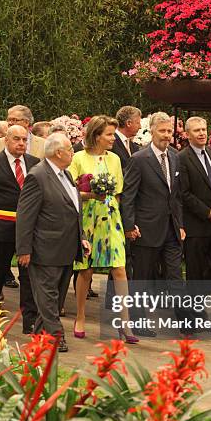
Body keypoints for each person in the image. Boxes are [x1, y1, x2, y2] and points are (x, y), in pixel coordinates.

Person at [16, 133, 91, 352]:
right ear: (58, 152)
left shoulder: (66, 174)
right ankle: (56, 337)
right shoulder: (37, 176)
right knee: (48, 297)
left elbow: (73, 211)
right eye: (70, 149)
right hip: (44, 249)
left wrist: (82, 238)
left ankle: (40, 334)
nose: (73, 153)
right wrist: (23, 249)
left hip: (66, 249)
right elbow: (25, 216)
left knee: (55, 298)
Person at [121, 112, 193, 335]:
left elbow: (176, 196)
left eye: (169, 131)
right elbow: (128, 196)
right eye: (162, 131)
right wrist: (130, 225)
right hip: (146, 230)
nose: (166, 135)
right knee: (141, 279)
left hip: (171, 230)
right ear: (151, 131)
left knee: (175, 277)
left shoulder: (175, 156)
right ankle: (138, 323)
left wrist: (179, 224)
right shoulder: (139, 160)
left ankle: (186, 323)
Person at [69, 116, 138, 343]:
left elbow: (118, 192)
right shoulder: (78, 157)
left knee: (119, 269)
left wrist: (115, 212)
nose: (112, 139)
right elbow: (69, 190)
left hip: (110, 217)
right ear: (96, 135)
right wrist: (90, 195)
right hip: (87, 218)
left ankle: (125, 324)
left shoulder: (116, 159)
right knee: (85, 270)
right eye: (108, 134)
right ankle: (80, 317)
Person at [0, 126, 40, 331]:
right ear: (6, 141)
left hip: (28, 232)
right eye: (17, 139)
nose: (21, 143)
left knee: (28, 277)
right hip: (0, 228)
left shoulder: (34, 163)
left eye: (24, 140)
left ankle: (29, 322)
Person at [179, 117, 211, 295]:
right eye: (196, 130)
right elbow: (184, 193)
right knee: (195, 273)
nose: (201, 133)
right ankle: (192, 314)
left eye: (203, 129)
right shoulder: (182, 158)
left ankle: (191, 299)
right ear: (187, 135)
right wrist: (207, 212)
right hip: (197, 225)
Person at [112, 105, 141, 171]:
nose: (140, 127)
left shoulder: (133, 146)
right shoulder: (111, 142)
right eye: (138, 123)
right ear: (128, 123)